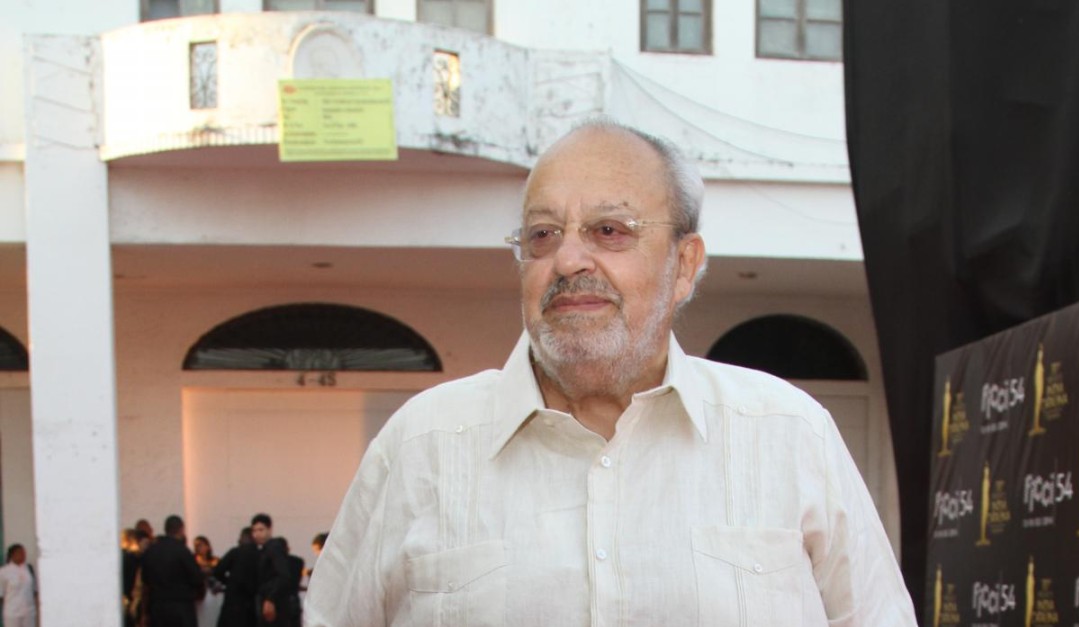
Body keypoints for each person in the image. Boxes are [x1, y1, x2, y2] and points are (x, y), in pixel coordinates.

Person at [305, 120, 917, 625]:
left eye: (609, 231)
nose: (569, 259)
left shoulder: (786, 433)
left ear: (684, 265)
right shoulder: (423, 446)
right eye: (543, 235)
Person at [139, 514, 205, 627]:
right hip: (181, 608)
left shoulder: (151, 551)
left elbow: (145, 581)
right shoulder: (182, 551)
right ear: (181, 529)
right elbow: (197, 578)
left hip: (157, 608)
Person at [250, 514, 295, 626]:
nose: (257, 534)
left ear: (269, 530)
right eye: (254, 531)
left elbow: (283, 575)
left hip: (274, 602)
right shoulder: (267, 549)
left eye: (261, 530)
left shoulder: (273, 548)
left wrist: (270, 599)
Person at [213, 527, 258, 627]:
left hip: (233, 602)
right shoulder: (260, 555)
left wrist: (228, 582)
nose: (238, 540)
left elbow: (217, 571)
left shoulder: (235, 552)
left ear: (245, 537)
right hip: (252, 604)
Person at [0, 544, 37, 627]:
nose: (23, 555)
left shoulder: (29, 569)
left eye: (24, 553)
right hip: (12, 613)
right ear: (12, 555)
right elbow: (1, 594)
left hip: (29, 612)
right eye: (20, 552)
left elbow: (34, 591)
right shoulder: (3, 572)